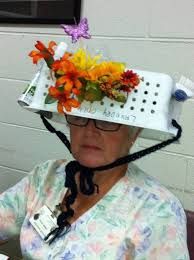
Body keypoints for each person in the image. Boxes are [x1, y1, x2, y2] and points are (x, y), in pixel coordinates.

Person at [0, 21, 192, 258]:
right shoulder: (46, 177)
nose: (90, 131)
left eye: (109, 122)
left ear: (134, 134)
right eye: (79, 118)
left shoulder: (158, 210)